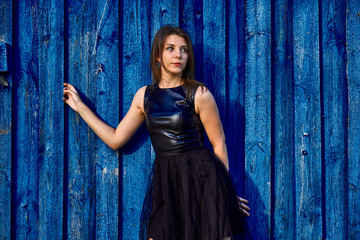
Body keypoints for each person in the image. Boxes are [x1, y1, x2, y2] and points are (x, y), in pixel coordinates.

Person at [63, 25, 250, 240]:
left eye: (184, 49)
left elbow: (219, 144)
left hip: (202, 179)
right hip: (167, 184)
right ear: (158, 55)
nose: (178, 55)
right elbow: (116, 139)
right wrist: (81, 108)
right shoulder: (144, 96)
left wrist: (224, 193)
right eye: (170, 48)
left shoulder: (199, 94)